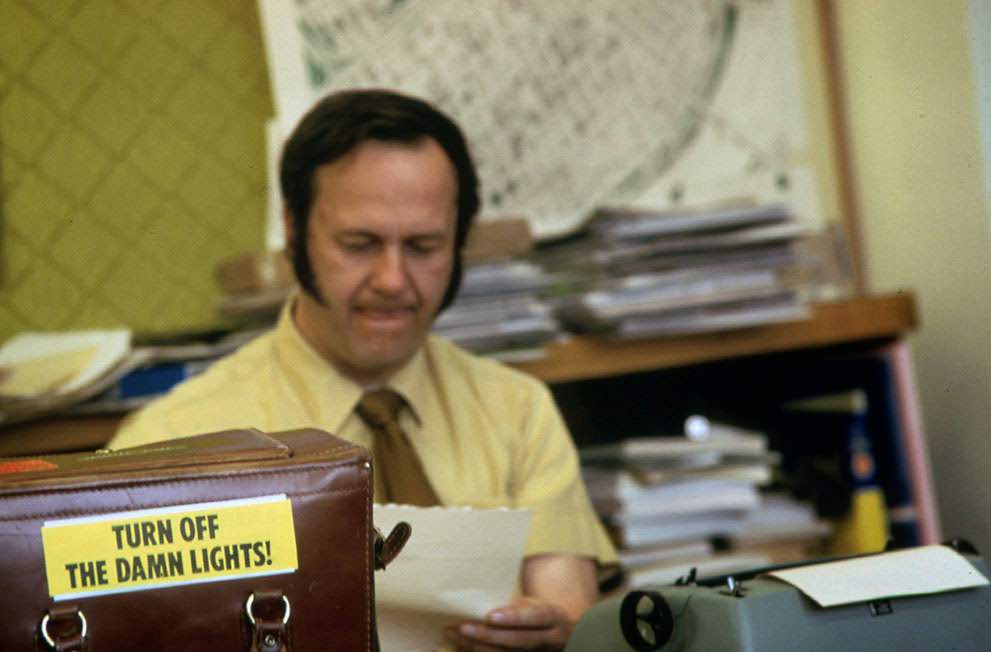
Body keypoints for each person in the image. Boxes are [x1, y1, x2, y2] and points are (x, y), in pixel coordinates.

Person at [109, 89, 616, 650]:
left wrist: (556, 631)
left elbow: (570, 609)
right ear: (294, 231)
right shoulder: (172, 444)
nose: (394, 280)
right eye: (359, 243)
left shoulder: (517, 410)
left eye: (424, 246)